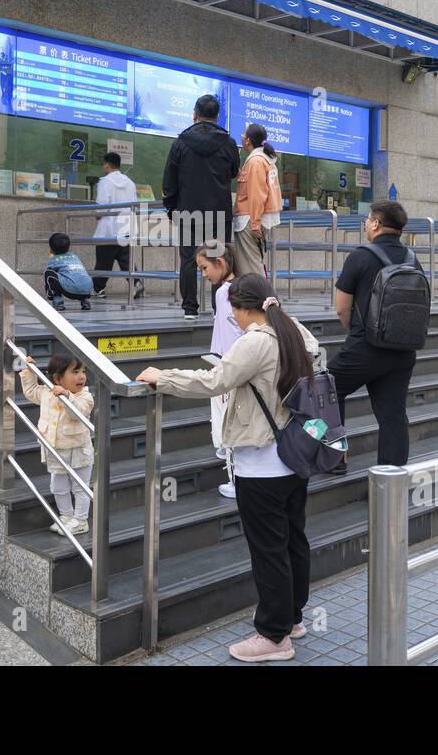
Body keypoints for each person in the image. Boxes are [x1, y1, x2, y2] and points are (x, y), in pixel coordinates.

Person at [137, 274, 320, 663]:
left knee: (268, 550)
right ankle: (291, 619)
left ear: (243, 307)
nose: (232, 317)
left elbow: (215, 381)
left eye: (233, 310)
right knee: (292, 541)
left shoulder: (255, 342)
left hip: (261, 464)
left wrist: (161, 377)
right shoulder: (294, 333)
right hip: (295, 457)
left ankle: (273, 637)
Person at [327, 200, 419, 473]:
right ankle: (392, 476)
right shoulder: (413, 260)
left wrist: (358, 332)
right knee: (393, 414)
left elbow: (342, 308)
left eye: (368, 219)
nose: (366, 224)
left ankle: (335, 459)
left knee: (329, 388)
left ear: (377, 223)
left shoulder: (360, 256)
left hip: (366, 347)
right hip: (403, 350)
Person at [161, 94, 239, 319]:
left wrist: (170, 207)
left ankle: (189, 309)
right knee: (219, 257)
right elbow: (234, 172)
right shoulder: (229, 142)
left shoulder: (181, 142)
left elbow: (169, 179)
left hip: (189, 210)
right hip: (220, 211)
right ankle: (219, 309)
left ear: (195, 115)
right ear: (217, 117)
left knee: (188, 259)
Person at [20, 355, 95, 535]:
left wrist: (67, 395)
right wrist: (30, 372)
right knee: (58, 487)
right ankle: (66, 516)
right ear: (57, 378)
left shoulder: (85, 396)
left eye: (83, 371)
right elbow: (30, 391)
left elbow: (79, 412)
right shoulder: (47, 392)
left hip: (79, 451)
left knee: (80, 486)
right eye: (75, 372)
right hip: (55, 449)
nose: (81, 377)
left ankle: (81, 520)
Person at [196, 242, 243, 499]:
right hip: (239, 365)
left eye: (205, 268)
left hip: (227, 366)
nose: (204, 274)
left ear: (220, 263)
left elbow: (229, 334)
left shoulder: (224, 293)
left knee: (227, 425)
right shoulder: (242, 288)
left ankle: (235, 482)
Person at [233, 123, 282, 277]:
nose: (241, 136)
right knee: (254, 263)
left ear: (247, 141)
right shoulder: (266, 160)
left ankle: (261, 299)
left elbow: (257, 195)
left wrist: (255, 224)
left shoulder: (255, 161)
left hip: (250, 220)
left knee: (251, 266)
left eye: (243, 134)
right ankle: (259, 297)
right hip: (256, 218)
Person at [93, 151, 144, 300]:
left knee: (103, 261)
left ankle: (98, 288)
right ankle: (136, 283)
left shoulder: (105, 182)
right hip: (125, 227)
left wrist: (97, 215)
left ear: (107, 164)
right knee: (125, 259)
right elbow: (135, 205)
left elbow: (103, 205)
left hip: (108, 229)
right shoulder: (130, 183)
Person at [43, 233, 93, 311]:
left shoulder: (55, 259)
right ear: (68, 247)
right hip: (88, 290)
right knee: (78, 275)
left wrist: (52, 256)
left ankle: (58, 302)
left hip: (70, 291)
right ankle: (85, 302)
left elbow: (51, 271)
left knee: (48, 273)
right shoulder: (74, 256)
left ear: (51, 249)